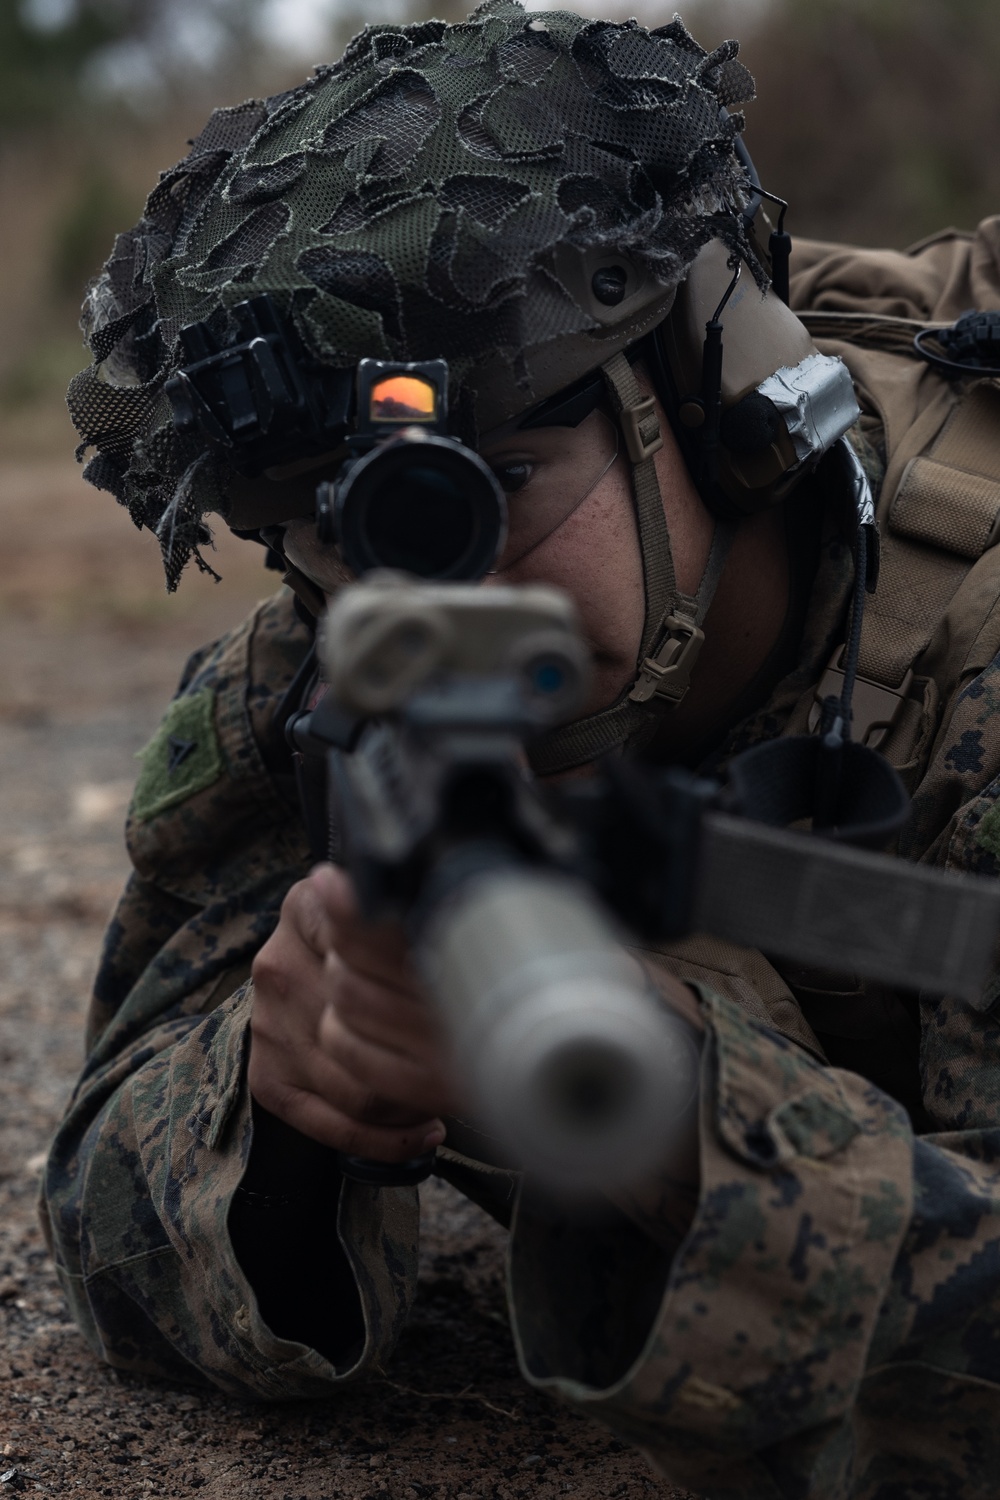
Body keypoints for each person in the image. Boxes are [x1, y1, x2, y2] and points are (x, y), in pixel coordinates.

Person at [42, 2, 1000, 1493]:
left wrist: (695, 1130)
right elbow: (104, 1177)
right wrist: (284, 1095)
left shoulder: (974, 649)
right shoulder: (339, 658)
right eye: (327, 532)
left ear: (719, 387)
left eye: (486, 491)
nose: (427, 597)